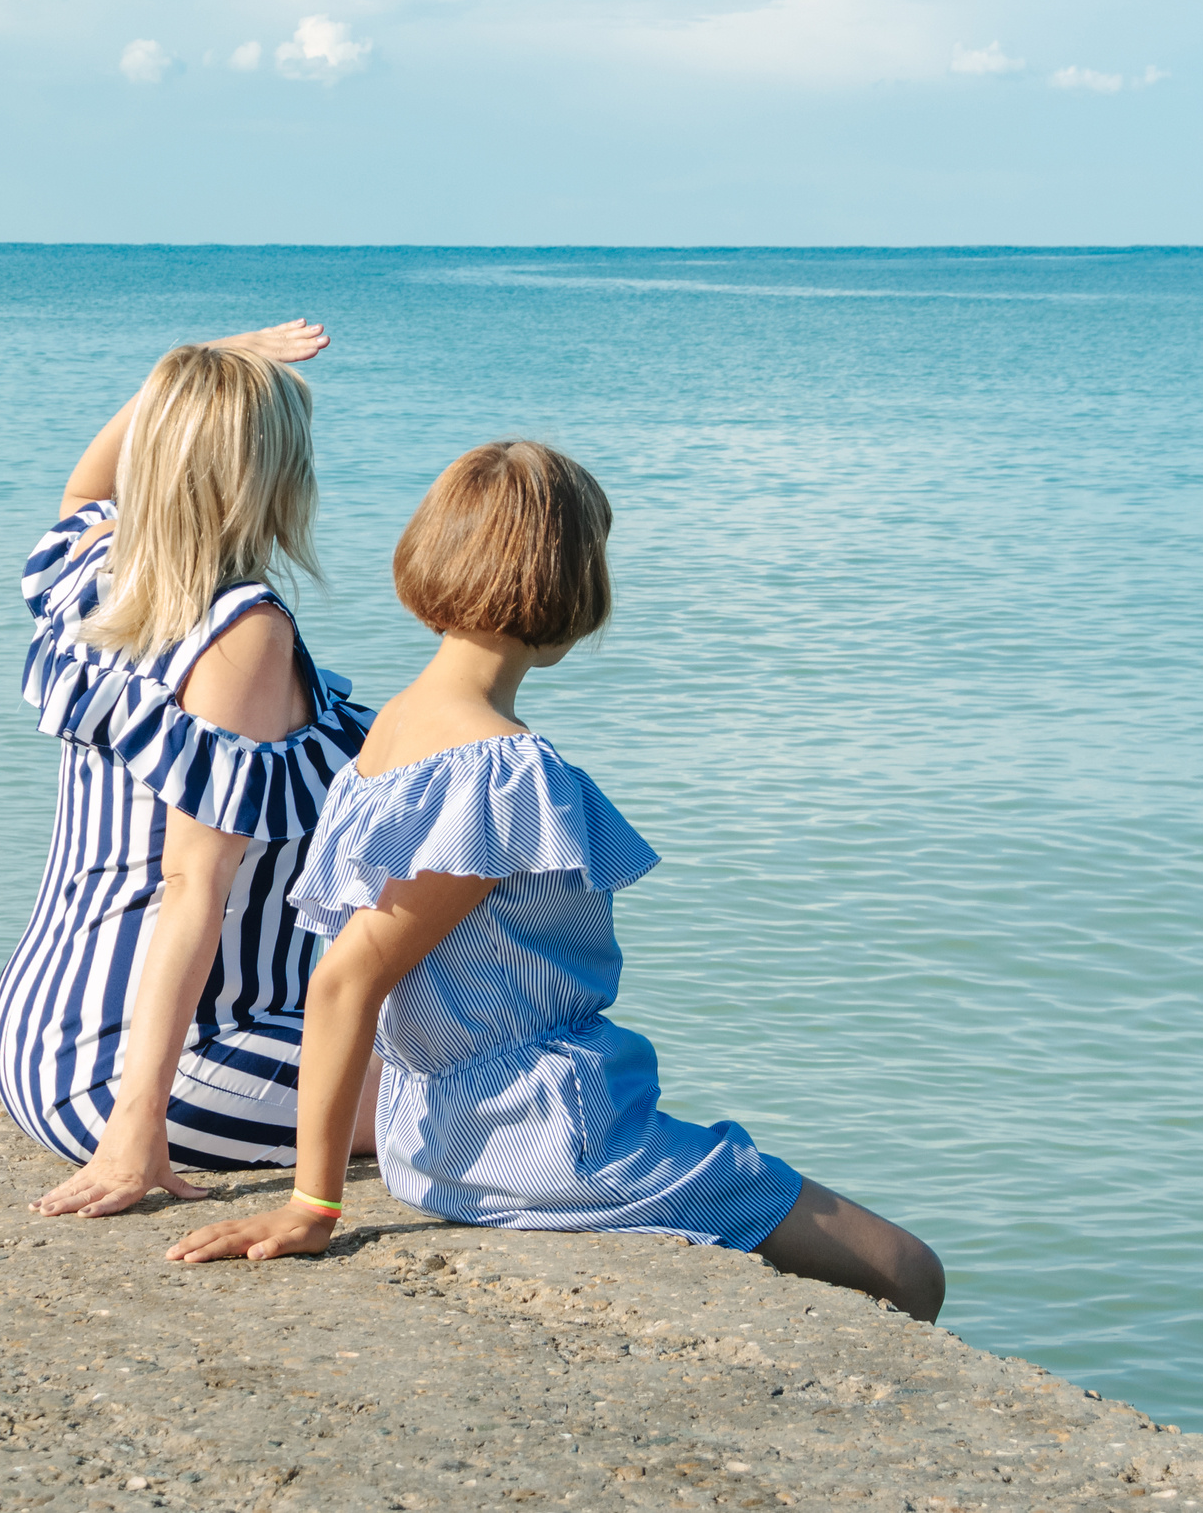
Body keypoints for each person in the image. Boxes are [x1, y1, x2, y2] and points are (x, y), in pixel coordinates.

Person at [164, 441, 945, 1321]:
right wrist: (314, 1205)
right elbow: (348, 977)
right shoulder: (501, 769)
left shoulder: (386, 737)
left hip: (433, 1134)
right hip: (545, 1135)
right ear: (571, 589)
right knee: (910, 1271)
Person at [0, 321, 383, 1218]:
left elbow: (87, 482)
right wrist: (136, 1128)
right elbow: (190, 885)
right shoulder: (242, 632)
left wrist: (201, 365)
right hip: (169, 1065)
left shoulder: (103, 570)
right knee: (519, 1100)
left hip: (38, 1036)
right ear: (272, 476)